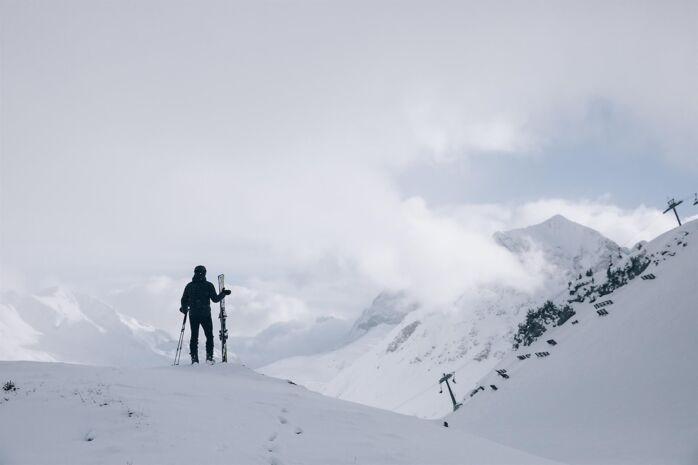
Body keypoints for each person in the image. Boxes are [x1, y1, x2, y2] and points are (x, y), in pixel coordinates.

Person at [180, 265, 231, 364]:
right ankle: (209, 358)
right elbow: (215, 299)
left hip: (193, 314)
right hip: (205, 314)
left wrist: (184, 309)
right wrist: (223, 293)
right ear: (204, 273)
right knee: (209, 336)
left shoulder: (189, 286)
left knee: (194, 336)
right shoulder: (208, 285)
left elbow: (183, 300)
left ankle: (194, 359)